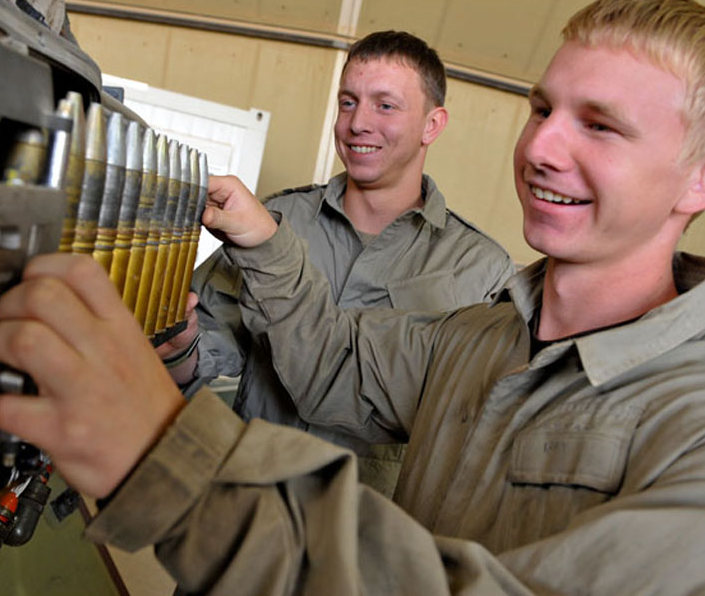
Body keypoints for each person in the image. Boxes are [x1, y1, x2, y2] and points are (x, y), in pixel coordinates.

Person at [0, 0, 705, 594]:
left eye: (599, 125)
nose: (542, 147)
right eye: (541, 108)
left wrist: (166, 456)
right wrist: (260, 250)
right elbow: (334, 358)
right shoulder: (477, 340)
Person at [159, 30, 513, 496]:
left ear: (432, 124)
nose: (357, 123)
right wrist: (179, 345)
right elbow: (203, 353)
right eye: (348, 102)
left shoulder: (479, 270)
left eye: (385, 105)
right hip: (245, 513)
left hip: (364, 544)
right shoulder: (278, 221)